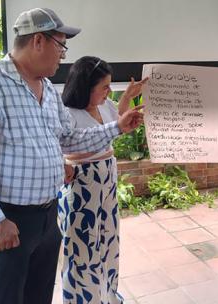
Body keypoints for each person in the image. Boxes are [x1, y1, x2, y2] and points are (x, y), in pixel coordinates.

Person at [0, 8, 143, 304]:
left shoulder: (48, 90)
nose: (63, 55)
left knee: (38, 295)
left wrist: (117, 127)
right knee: (7, 297)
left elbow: (69, 137)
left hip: (47, 215)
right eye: (61, 45)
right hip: (8, 218)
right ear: (38, 40)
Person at [58, 56, 147, 303]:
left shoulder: (103, 105)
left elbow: (115, 122)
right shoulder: (67, 114)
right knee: (81, 251)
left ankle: (106, 296)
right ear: (85, 87)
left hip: (106, 188)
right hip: (81, 188)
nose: (109, 91)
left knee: (108, 244)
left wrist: (127, 99)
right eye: (104, 87)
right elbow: (56, 144)